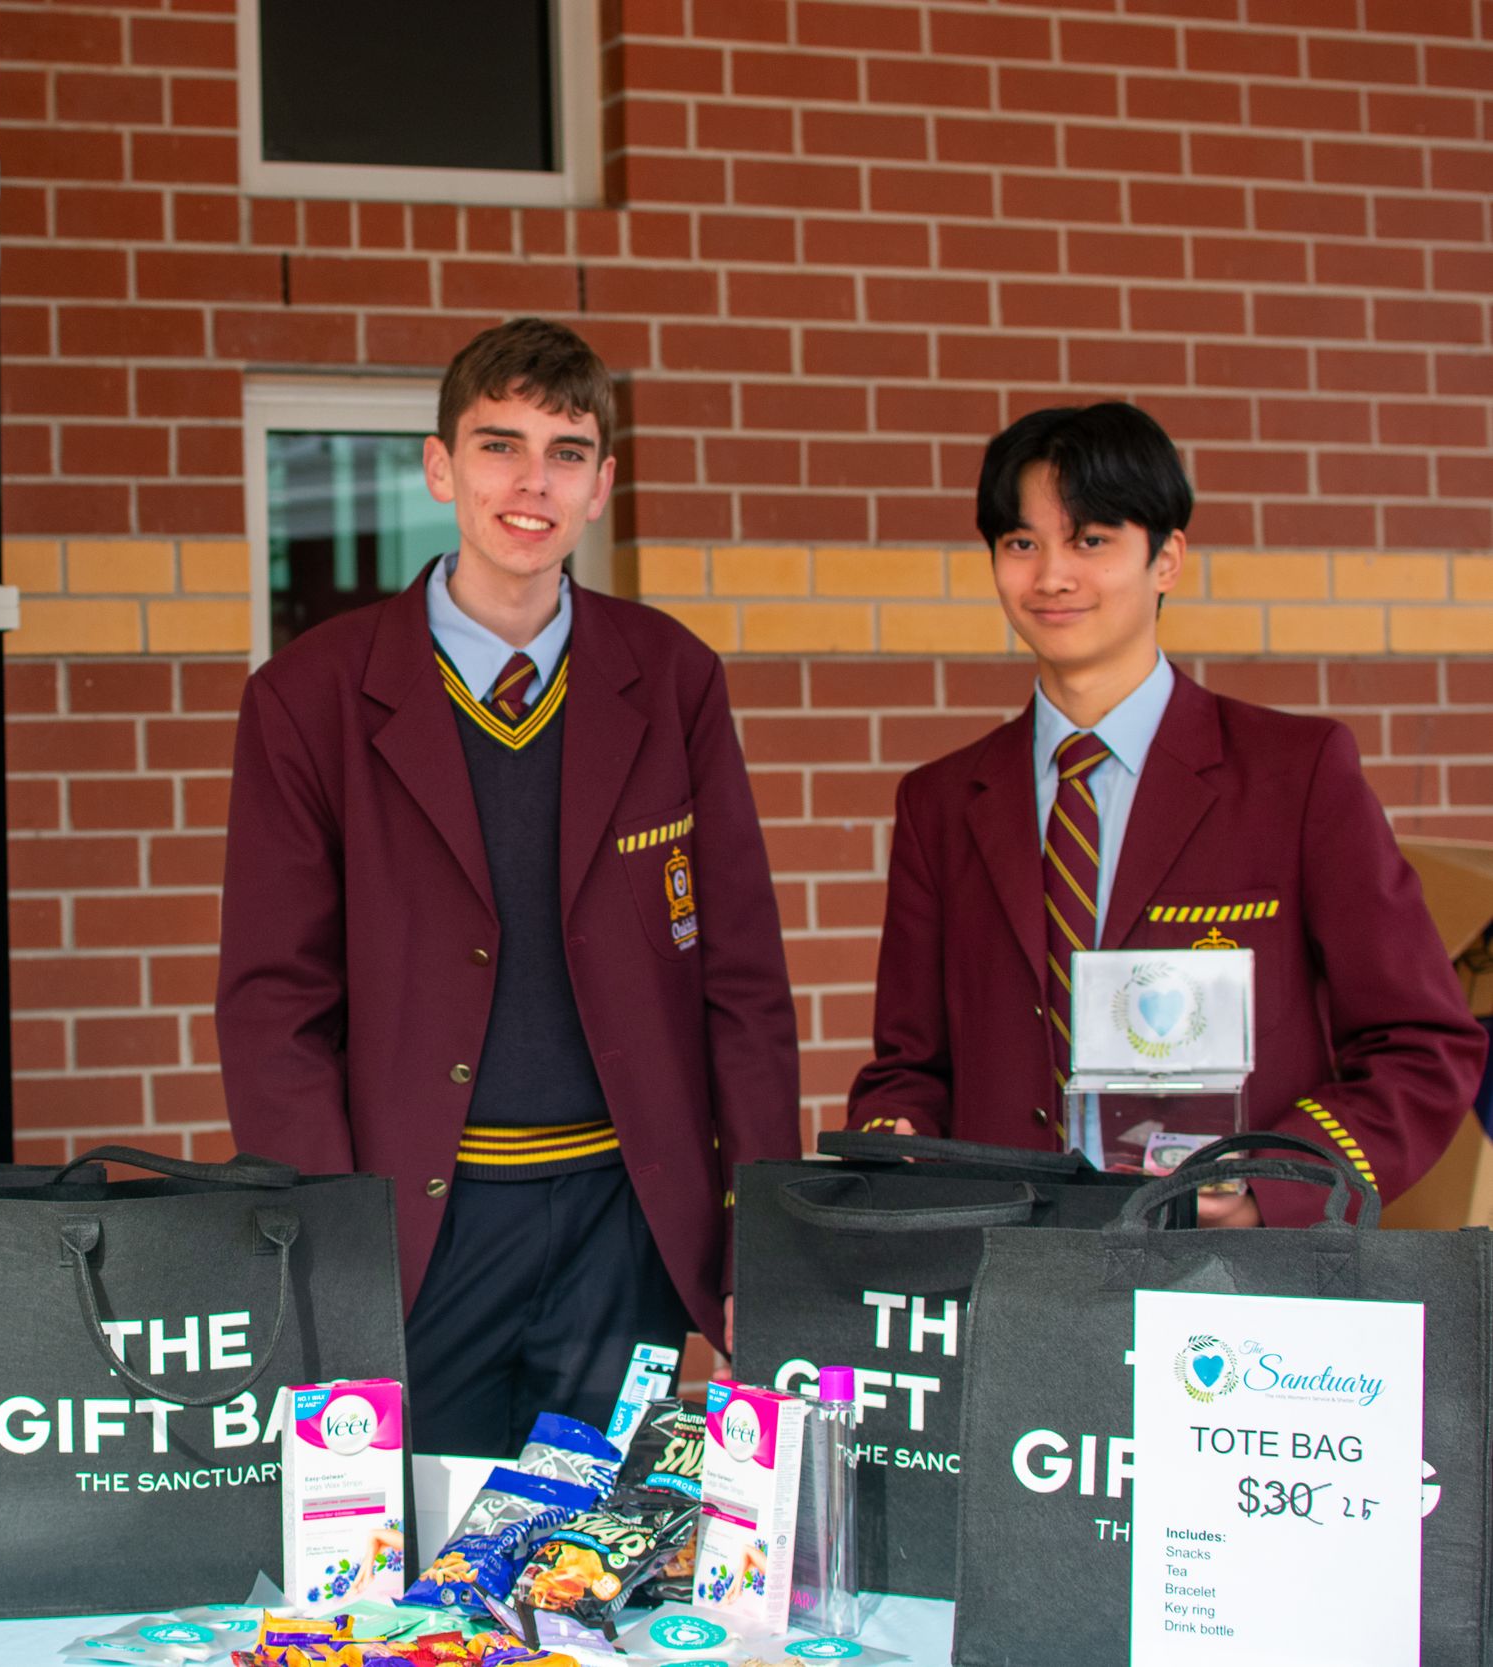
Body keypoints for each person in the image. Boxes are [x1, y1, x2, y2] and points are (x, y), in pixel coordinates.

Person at [215, 317, 800, 1457]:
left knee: (589, 1546)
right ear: (440, 468)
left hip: (620, 1227)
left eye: (567, 453)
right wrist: (333, 1255)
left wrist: (760, 1246)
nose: (533, 483)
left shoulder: (672, 677)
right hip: (419, 1235)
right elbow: (274, 1004)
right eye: (500, 446)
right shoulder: (308, 695)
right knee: (413, 1555)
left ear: (601, 486)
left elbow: (742, 983)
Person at [846, 402, 1485, 1224]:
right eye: (1021, 543)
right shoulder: (939, 803)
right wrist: (895, 1132)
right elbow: (909, 1067)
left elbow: (1422, 1043)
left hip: (1233, 1271)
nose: (1051, 577)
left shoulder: (1296, 775)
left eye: (1090, 540)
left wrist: (1268, 1186)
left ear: (1168, 558)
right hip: (1008, 1267)